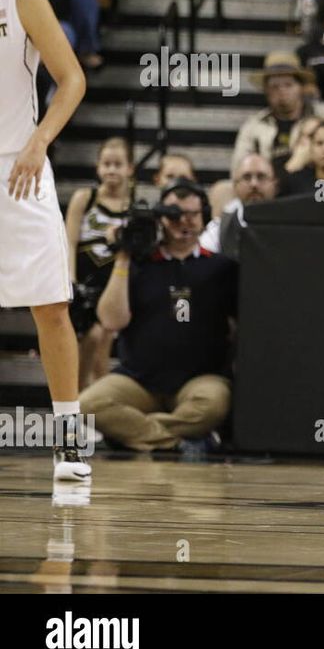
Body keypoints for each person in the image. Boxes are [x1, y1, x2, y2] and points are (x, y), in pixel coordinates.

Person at [0, 0, 90, 482]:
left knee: (51, 305)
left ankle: (69, 442)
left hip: (20, 164)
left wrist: (39, 142)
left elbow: (72, 79)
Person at [84, 180, 238, 452]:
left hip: (198, 380)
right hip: (139, 379)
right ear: (160, 218)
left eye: (192, 214)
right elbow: (111, 321)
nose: (184, 222)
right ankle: (177, 442)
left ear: (204, 217)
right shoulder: (140, 265)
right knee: (87, 404)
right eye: (175, 215)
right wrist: (123, 256)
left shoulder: (221, 268)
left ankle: (135, 432)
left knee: (215, 403)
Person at [64, 136, 131, 388]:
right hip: (83, 282)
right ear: (98, 167)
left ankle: (94, 402)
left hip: (113, 285)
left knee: (102, 341)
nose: (112, 169)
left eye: (118, 164)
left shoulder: (132, 206)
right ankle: (80, 397)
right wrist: (70, 281)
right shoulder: (85, 198)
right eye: (106, 164)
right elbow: (69, 241)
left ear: (130, 168)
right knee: (90, 341)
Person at [199, 152, 277, 261]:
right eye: (247, 177)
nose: (254, 184)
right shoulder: (219, 229)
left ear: (274, 184)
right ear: (235, 186)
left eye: (261, 177)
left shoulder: (291, 225)